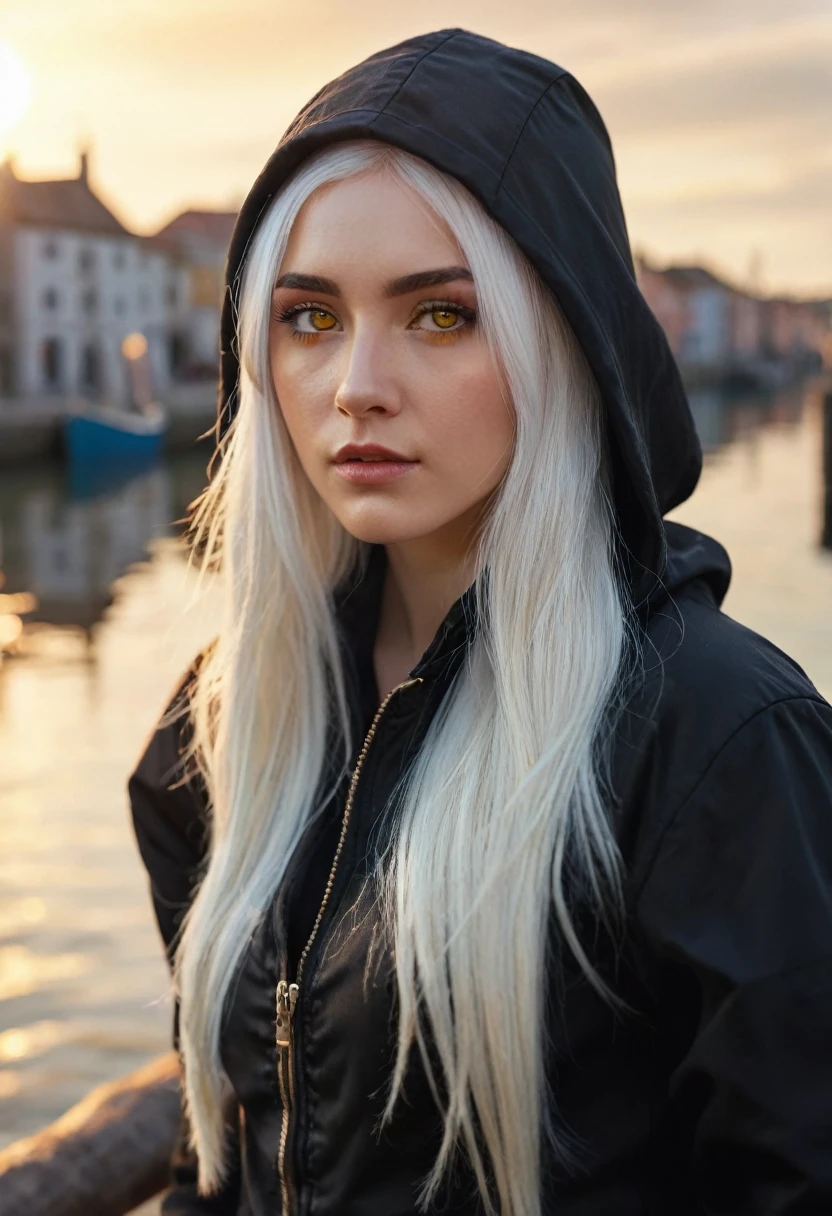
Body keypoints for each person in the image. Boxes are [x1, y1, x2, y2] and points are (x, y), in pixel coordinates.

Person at [128, 27, 832, 1216]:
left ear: (560, 340)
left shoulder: (718, 745)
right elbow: (242, 1151)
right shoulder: (231, 718)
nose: (356, 383)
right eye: (310, 317)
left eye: (439, 315)